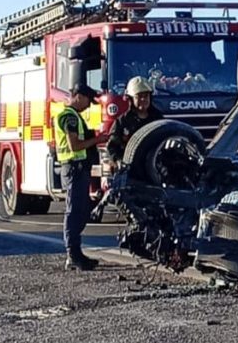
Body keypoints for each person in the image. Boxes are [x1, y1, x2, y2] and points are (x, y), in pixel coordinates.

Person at [54, 83, 108, 270]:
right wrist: (98, 140)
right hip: (74, 168)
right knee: (75, 211)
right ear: (79, 96)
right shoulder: (69, 117)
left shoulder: (73, 116)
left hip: (78, 169)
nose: (88, 106)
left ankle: (75, 253)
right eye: (87, 101)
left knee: (82, 209)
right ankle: (73, 254)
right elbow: (75, 146)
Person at [106, 76, 163, 171]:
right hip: (130, 171)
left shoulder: (157, 119)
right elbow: (112, 146)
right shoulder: (123, 121)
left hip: (154, 169)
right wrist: (117, 161)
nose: (143, 100)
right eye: (139, 96)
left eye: (146, 96)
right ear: (131, 99)